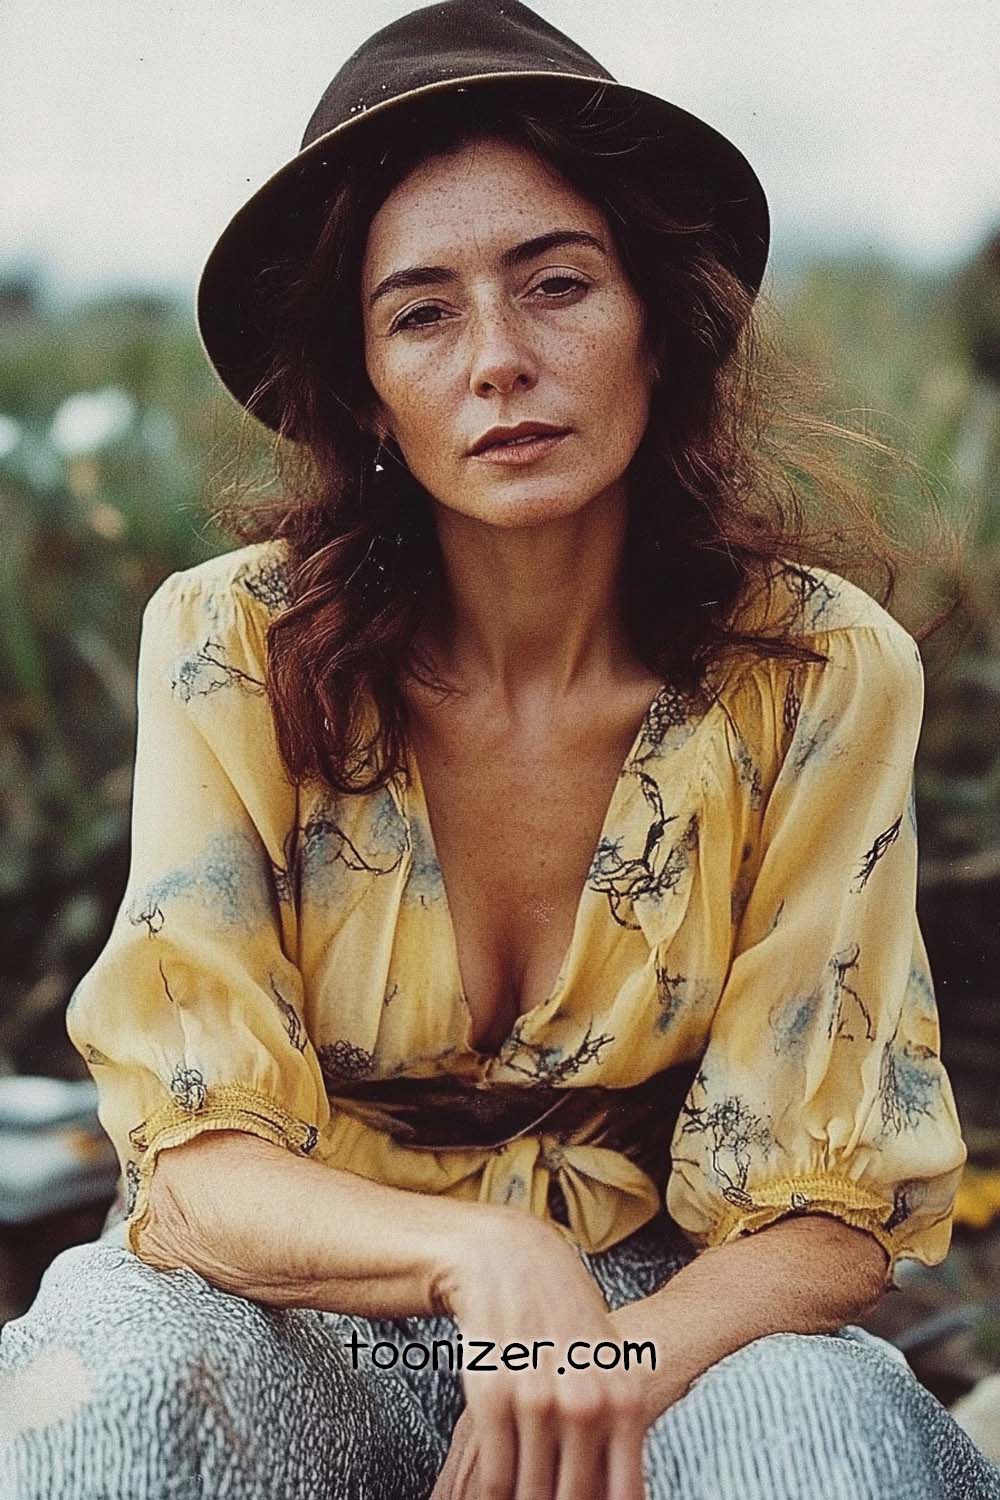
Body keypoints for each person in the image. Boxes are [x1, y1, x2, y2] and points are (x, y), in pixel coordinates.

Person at [2, 3, 998, 1497]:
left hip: (672, 1318)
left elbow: (828, 1206)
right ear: (367, 392)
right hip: (303, 1302)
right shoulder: (233, 642)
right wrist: (484, 1253)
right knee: (114, 1407)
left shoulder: (815, 666)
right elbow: (198, 1172)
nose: (500, 361)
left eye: (558, 286)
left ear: (659, 322)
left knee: (824, 1442)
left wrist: (605, 1368)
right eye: (423, 312)